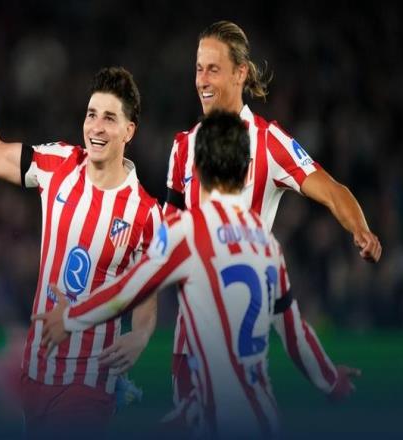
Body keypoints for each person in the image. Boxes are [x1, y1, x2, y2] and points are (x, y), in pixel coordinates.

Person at [34, 110, 360, 438]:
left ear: (199, 168)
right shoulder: (265, 244)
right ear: (245, 171)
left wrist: (71, 318)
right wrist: (331, 380)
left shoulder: (189, 230)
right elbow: (293, 332)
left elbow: (127, 291)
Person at [163, 20, 381, 422]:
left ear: (240, 73)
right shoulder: (183, 147)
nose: (202, 80)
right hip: (188, 346)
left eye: (213, 69)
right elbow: (166, 232)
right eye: (198, 69)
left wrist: (360, 230)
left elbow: (332, 190)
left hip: (241, 340)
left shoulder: (268, 141)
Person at [0, 17, 162, 436]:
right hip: (35, 372)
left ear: (129, 130)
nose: (96, 127)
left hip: (89, 382)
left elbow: (147, 295)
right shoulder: (58, 164)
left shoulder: (145, 213)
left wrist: (140, 335)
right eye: (91, 114)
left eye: (109, 118)